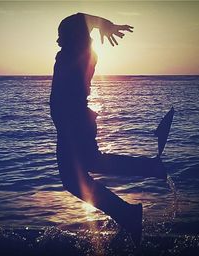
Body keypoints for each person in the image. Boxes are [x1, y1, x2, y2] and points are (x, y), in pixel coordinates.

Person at [50, 13, 167, 245]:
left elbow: (81, 18)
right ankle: (142, 185)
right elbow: (83, 21)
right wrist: (103, 26)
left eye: (61, 35)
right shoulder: (80, 53)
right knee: (92, 163)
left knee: (73, 180)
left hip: (74, 124)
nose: (57, 41)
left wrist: (104, 25)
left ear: (74, 36)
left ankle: (129, 213)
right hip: (75, 123)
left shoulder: (77, 55)